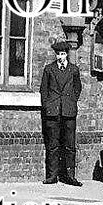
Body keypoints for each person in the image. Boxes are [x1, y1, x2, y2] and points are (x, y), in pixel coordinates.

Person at [40, 40, 83, 186]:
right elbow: (43, 90)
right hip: (53, 112)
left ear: (67, 54)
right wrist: (48, 106)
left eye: (63, 54)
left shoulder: (73, 70)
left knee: (70, 145)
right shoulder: (49, 69)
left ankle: (70, 175)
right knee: (52, 145)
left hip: (68, 111)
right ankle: (52, 176)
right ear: (56, 55)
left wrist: (70, 101)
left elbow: (77, 89)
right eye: (58, 54)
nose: (61, 57)